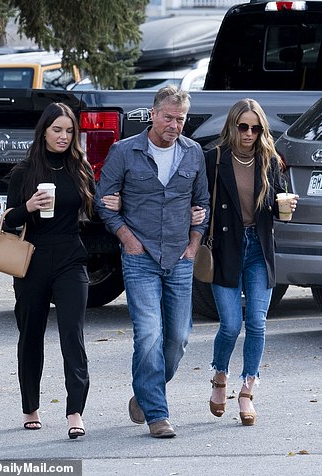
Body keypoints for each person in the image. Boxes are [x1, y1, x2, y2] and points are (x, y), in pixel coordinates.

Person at [94, 85, 210, 438]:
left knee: (177, 338)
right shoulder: (124, 152)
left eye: (181, 119)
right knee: (148, 334)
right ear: (153, 114)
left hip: (179, 257)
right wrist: (127, 240)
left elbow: (201, 203)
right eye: (168, 117)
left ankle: (144, 396)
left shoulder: (193, 154)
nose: (174, 125)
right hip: (139, 257)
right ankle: (158, 414)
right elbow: (103, 200)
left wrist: (193, 244)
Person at [4, 102, 119, 439]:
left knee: (73, 334)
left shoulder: (79, 169)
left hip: (71, 257)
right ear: (44, 132)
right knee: (31, 335)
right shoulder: (24, 172)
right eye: (57, 130)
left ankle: (75, 412)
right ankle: (31, 407)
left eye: (69, 131)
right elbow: (8, 223)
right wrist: (27, 207)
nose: (64, 137)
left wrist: (113, 204)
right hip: (33, 260)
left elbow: (95, 213)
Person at [205, 98, 297, 426]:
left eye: (255, 128)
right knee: (230, 324)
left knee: (257, 323)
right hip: (226, 248)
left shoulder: (269, 160)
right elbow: (200, 201)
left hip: (258, 248)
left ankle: (247, 391)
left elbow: (278, 205)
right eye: (243, 127)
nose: (249, 133)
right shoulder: (214, 159)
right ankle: (219, 377)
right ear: (232, 125)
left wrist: (286, 207)